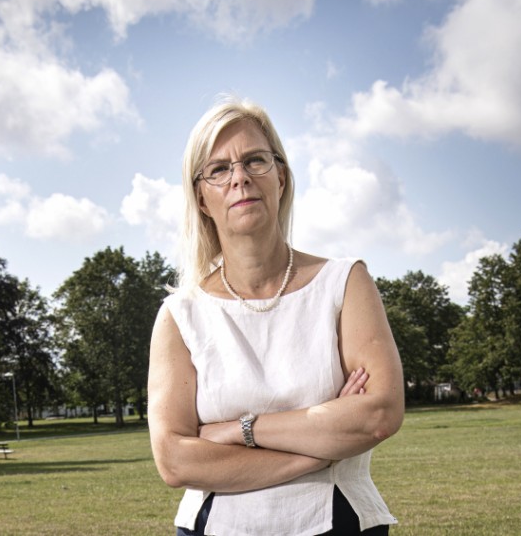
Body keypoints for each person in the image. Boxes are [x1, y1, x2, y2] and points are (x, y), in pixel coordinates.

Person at [148, 96, 405, 536]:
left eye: (255, 161)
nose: (240, 178)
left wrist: (238, 430)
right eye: (219, 169)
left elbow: (378, 414)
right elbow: (175, 460)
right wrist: (319, 451)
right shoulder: (180, 314)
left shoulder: (345, 283)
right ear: (202, 198)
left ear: (281, 177)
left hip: (339, 523)